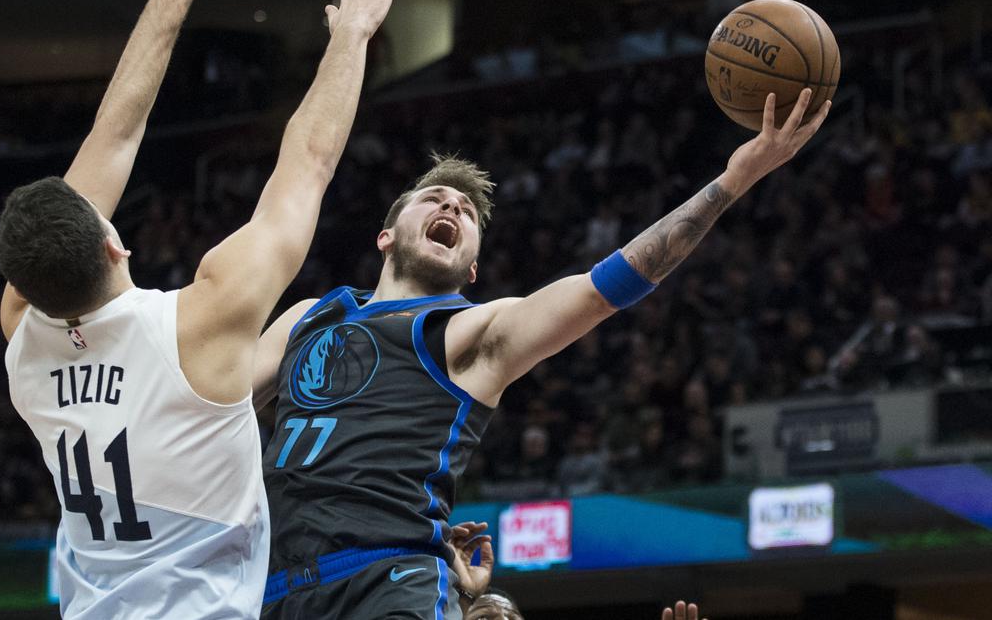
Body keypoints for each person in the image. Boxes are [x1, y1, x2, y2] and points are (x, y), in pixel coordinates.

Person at [0, 0, 406, 616]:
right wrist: (350, 37)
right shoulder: (201, 319)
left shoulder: (22, 338)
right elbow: (303, 165)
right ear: (115, 246)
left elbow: (111, 146)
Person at [255, 89, 831, 618]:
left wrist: (735, 178)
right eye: (435, 198)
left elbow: (608, 286)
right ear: (386, 234)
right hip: (269, 587)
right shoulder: (310, 315)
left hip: (385, 579)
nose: (452, 208)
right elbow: (215, 406)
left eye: (467, 212)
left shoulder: (471, 332)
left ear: (472, 268)